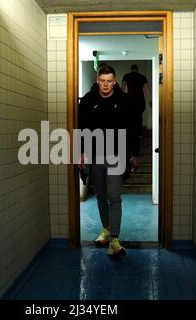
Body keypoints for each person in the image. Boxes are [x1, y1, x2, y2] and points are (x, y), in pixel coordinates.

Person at [78, 64, 141, 256]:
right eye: (102, 81)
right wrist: (80, 151)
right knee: (101, 196)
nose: (106, 85)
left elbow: (133, 128)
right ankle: (106, 229)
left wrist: (134, 153)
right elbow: (81, 127)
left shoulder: (125, 100)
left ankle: (114, 239)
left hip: (116, 155)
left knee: (114, 197)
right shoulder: (88, 100)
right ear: (98, 81)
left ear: (114, 81)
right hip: (95, 156)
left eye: (109, 81)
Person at [121, 64, 152, 136]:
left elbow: (122, 88)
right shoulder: (142, 77)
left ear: (131, 69)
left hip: (130, 100)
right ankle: (139, 134)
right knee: (139, 116)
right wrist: (150, 100)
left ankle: (131, 133)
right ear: (137, 70)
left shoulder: (126, 76)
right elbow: (146, 89)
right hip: (140, 100)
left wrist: (121, 100)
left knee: (130, 116)